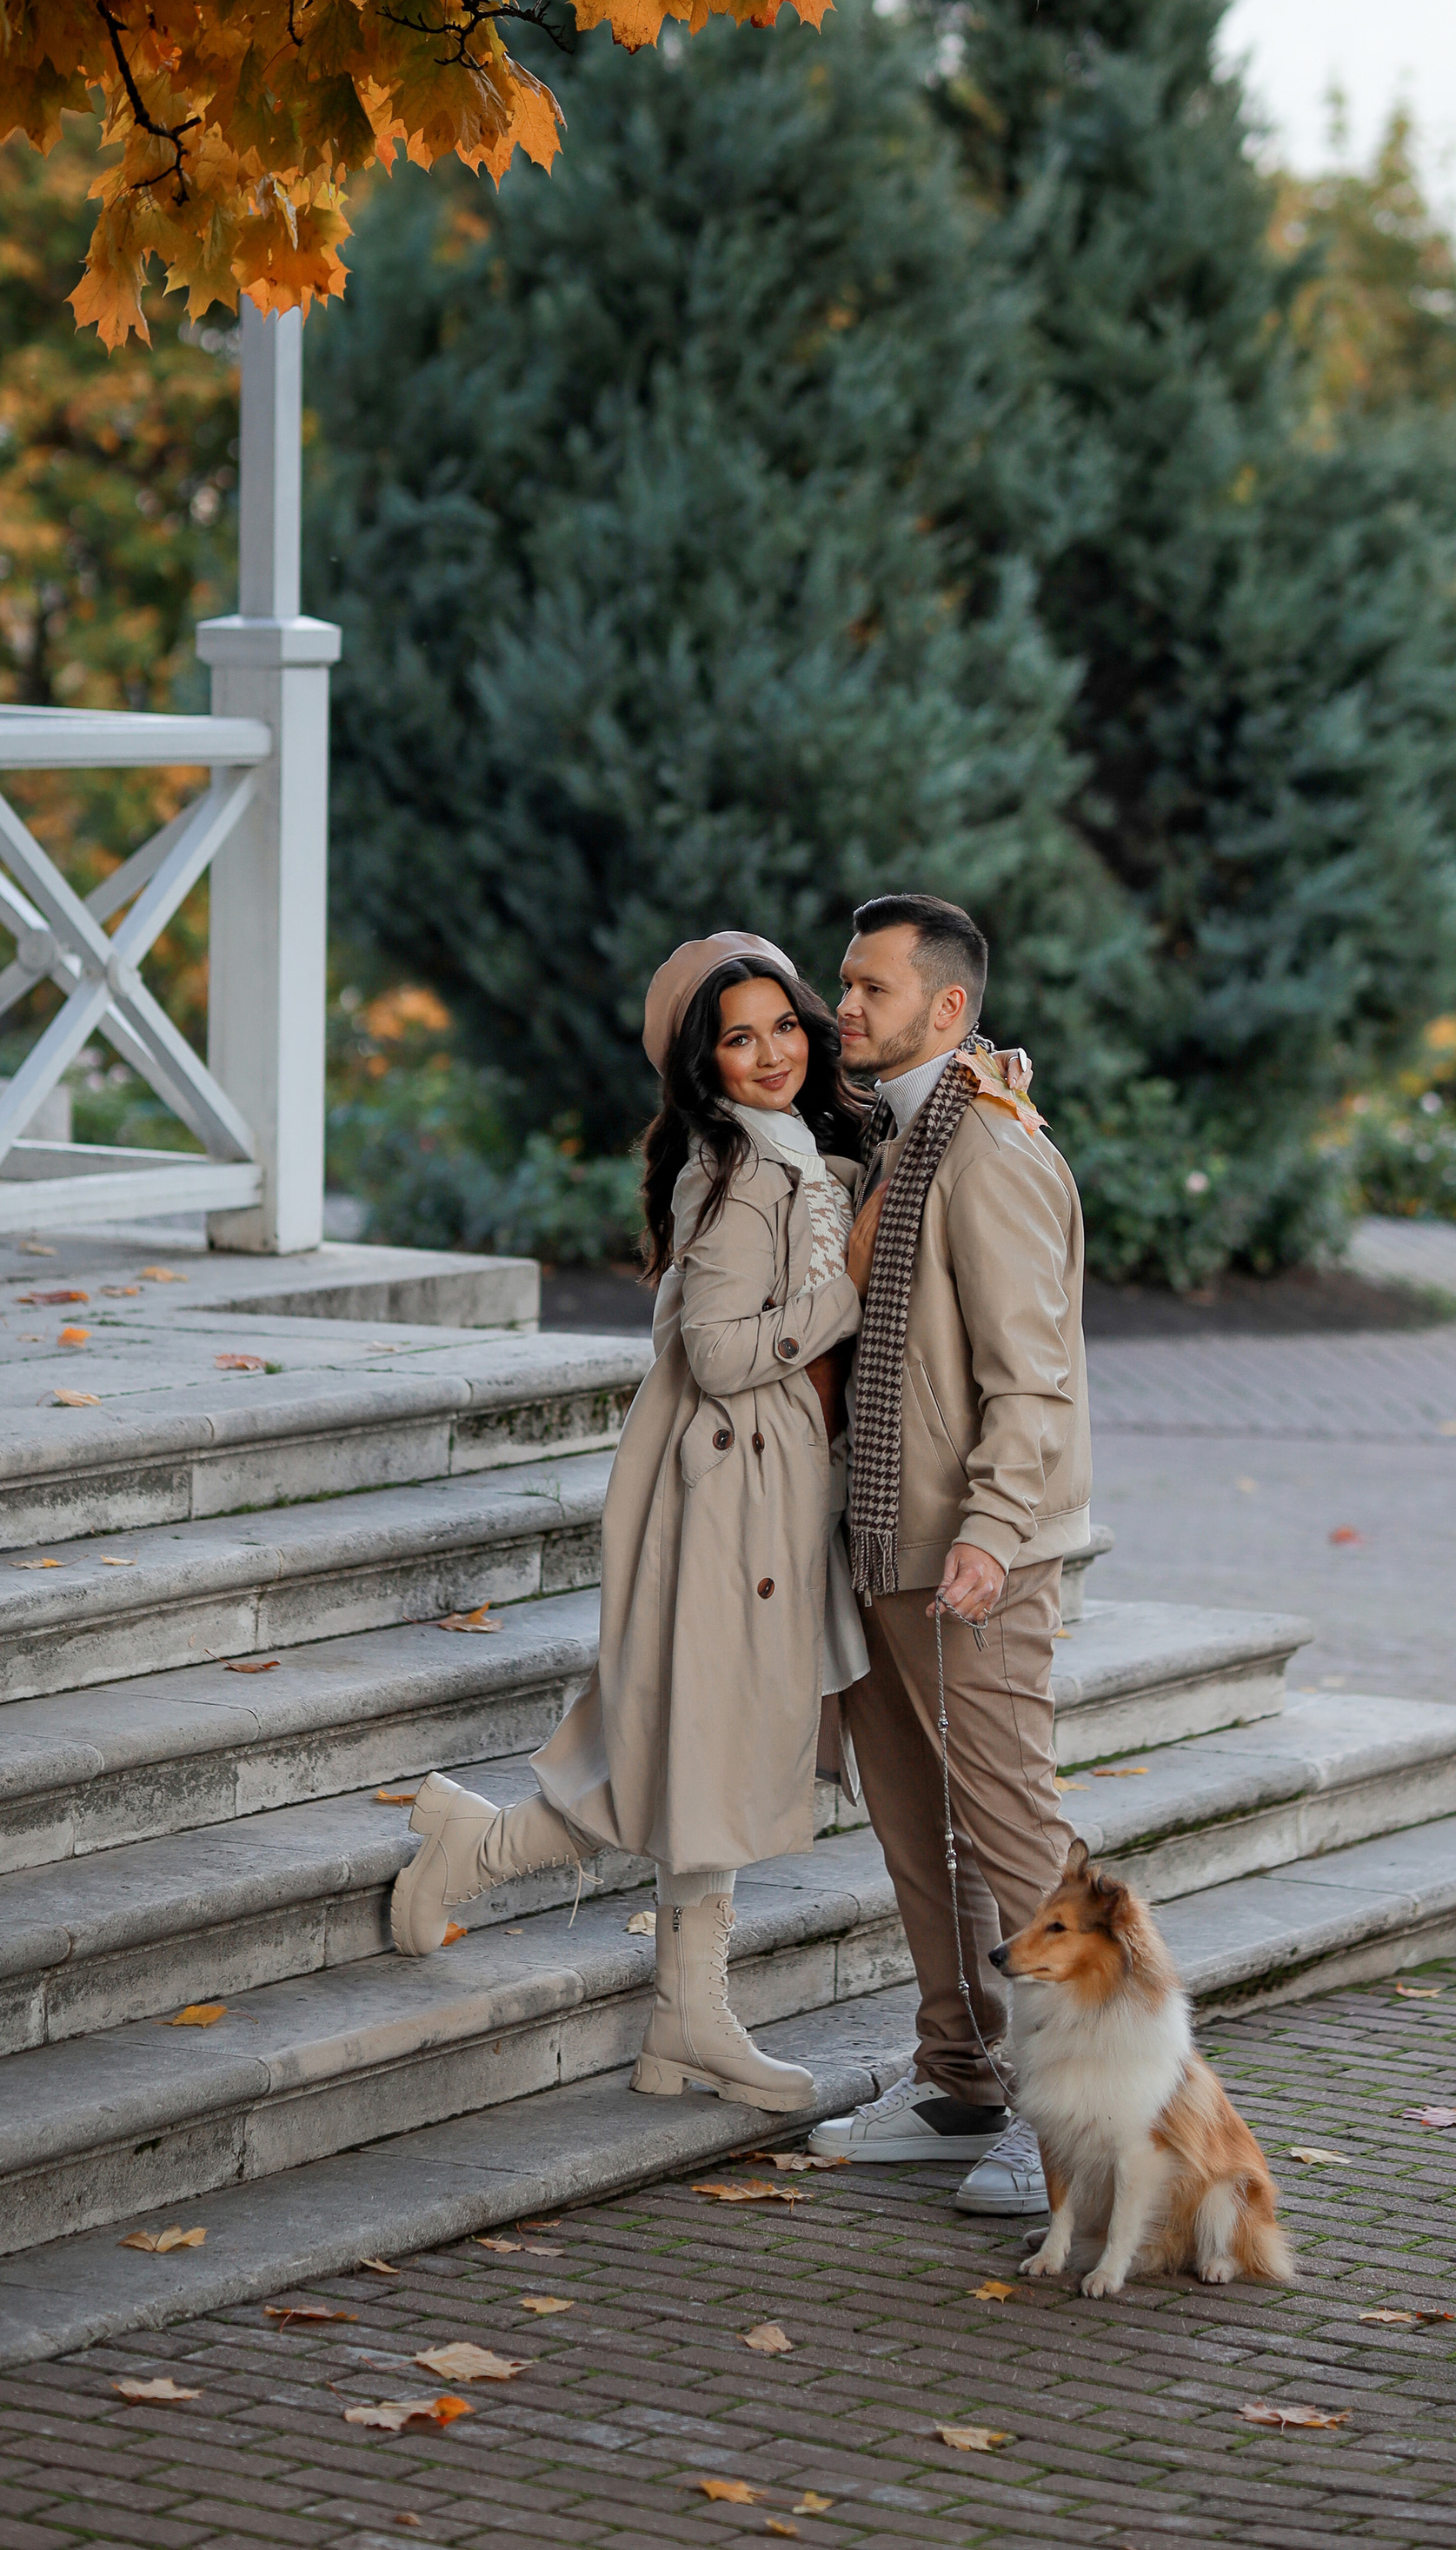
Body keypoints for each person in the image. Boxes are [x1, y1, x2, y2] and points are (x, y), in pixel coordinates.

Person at [389, 932, 867, 2112]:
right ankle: (497, 1863)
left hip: (757, 1483)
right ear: (703, 1063)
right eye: (739, 1038)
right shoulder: (748, 1171)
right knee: (696, 1751)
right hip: (722, 1492)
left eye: (785, 1027)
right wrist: (839, 1300)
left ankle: (678, 2021)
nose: (770, 1054)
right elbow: (710, 1352)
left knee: (702, 1754)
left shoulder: (793, 1152)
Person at [810, 890, 1090, 2223]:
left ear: (949, 1006)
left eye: (869, 988)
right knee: (921, 1839)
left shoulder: (990, 1149)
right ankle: (958, 2080)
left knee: (1017, 1832)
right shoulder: (878, 1141)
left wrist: (988, 1530)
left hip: (974, 1556)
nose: (843, 1007)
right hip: (876, 1540)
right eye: (843, 984)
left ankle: (1074, 2124)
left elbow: (1034, 1379)